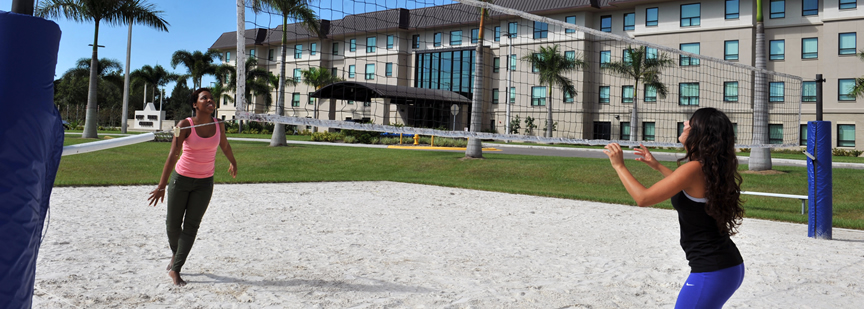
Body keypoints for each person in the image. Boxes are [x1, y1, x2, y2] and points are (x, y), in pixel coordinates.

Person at [602, 107, 745, 309]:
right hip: (727, 266)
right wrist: (657, 166)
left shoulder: (694, 168)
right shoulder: (710, 167)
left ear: (700, 133)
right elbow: (688, 189)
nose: (685, 124)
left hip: (711, 271)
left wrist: (619, 166)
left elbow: (643, 198)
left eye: (690, 122)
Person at [147, 88, 237, 286]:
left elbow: (225, 145)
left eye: (211, 98)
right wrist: (162, 185)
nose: (210, 100)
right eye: (204, 98)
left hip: (205, 183)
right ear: (195, 104)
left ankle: (176, 268)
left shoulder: (218, 124)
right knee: (172, 225)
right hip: (181, 180)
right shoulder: (184, 125)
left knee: (191, 227)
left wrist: (233, 161)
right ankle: (175, 253)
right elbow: (173, 155)